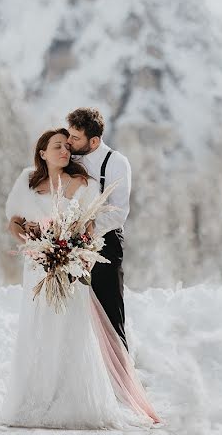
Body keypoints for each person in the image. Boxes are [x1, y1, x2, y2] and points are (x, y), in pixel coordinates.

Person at [0, 128, 159, 429]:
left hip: (71, 268)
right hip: (37, 268)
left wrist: (69, 249)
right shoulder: (26, 181)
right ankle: (34, 397)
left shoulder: (82, 182)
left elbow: (89, 227)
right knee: (38, 329)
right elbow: (13, 223)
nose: (64, 151)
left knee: (70, 330)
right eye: (56, 146)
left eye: (66, 147)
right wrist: (34, 246)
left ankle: (73, 400)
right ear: (42, 153)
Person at [66, 107, 132, 350]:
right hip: (67, 244)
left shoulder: (116, 162)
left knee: (110, 312)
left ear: (93, 141)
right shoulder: (68, 157)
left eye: (75, 137)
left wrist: (90, 228)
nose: (69, 141)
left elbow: (120, 211)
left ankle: (120, 376)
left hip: (105, 243)